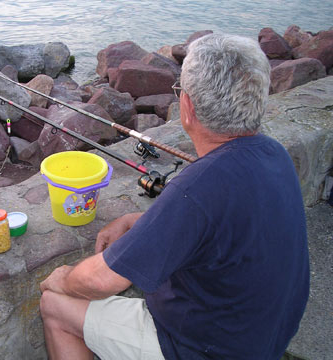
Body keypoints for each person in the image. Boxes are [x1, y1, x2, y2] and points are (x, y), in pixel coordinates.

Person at [39, 33, 310, 360]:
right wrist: (141, 223)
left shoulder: (197, 188)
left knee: (54, 306)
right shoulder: (274, 154)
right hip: (263, 339)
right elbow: (222, 226)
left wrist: (63, 279)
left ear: (188, 107)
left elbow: (100, 280)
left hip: (202, 348)